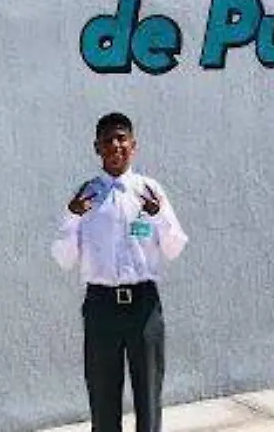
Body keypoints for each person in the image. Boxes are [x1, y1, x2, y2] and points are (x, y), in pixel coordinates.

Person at [51, 112, 189, 432]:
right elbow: (63, 258)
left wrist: (159, 217)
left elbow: (174, 248)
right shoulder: (86, 195)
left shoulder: (149, 191)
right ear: (97, 148)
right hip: (101, 307)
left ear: (133, 145)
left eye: (121, 138)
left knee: (148, 396)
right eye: (108, 140)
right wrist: (72, 217)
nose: (115, 145)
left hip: (144, 306)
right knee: (103, 398)